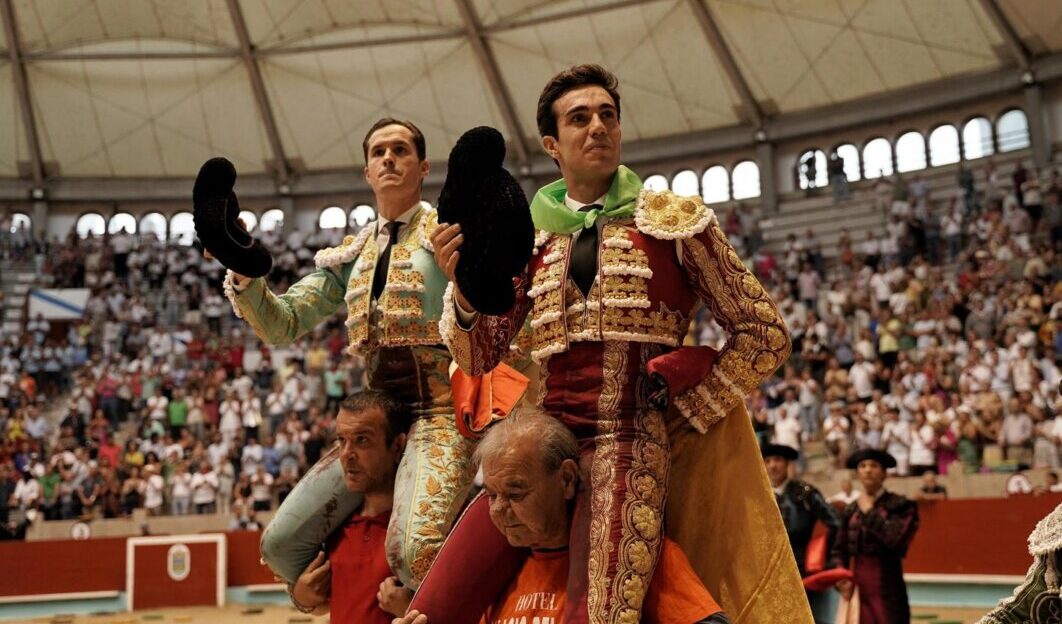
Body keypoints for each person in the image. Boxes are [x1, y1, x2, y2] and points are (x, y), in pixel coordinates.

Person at [432, 64, 806, 623]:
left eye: (608, 115)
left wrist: (689, 407)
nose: (598, 127)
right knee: (435, 599)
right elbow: (478, 355)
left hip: (628, 435)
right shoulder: (528, 235)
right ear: (553, 145)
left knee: (603, 609)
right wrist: (462, 291)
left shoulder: (674, 223)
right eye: (580, 118)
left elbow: (765, 333)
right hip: (543, 437)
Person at [223, 118, 480, 588]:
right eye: (379, 152)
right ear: (366, 171)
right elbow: (283, 323)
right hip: (376, 424)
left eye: (400, 150)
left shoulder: (448, 236)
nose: (388, 159)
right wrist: (242, 271)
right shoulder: (353, 254)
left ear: (423, 168)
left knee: (416, 549)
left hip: (444, 413)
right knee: (280, 547)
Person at [398, 409, 728, 624]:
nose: (499, 511)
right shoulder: (499, 570)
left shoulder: (633, 554)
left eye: (516, 494)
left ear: (567, 480)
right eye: (492, 495)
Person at [288, 391, 415, 623]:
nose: (346, 454)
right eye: (341, 440)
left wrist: (413, 608)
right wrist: (302, 596)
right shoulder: (332, 523)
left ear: (397, 446)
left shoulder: (423, 528)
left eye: (362, 440)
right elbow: (324, 601)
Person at [832, 449, 919, 624]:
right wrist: (841, 578)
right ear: (857, 474)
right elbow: (838, 550)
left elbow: (895, 540)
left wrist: (868, 512)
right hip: (858, 588)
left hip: (889, 586)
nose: (868, 470)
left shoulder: (901, 506)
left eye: (874, 466)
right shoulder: (851, 510)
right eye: (862, 466)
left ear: (884, 474)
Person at [763, 444, 841, 624]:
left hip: (802, 566)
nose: (772, 465)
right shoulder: (760, 494)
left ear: (787, 464)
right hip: (768, 568)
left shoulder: (805, 492)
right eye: (768, 461)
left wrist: (821, 553)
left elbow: (836, 523)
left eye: (778, 460)